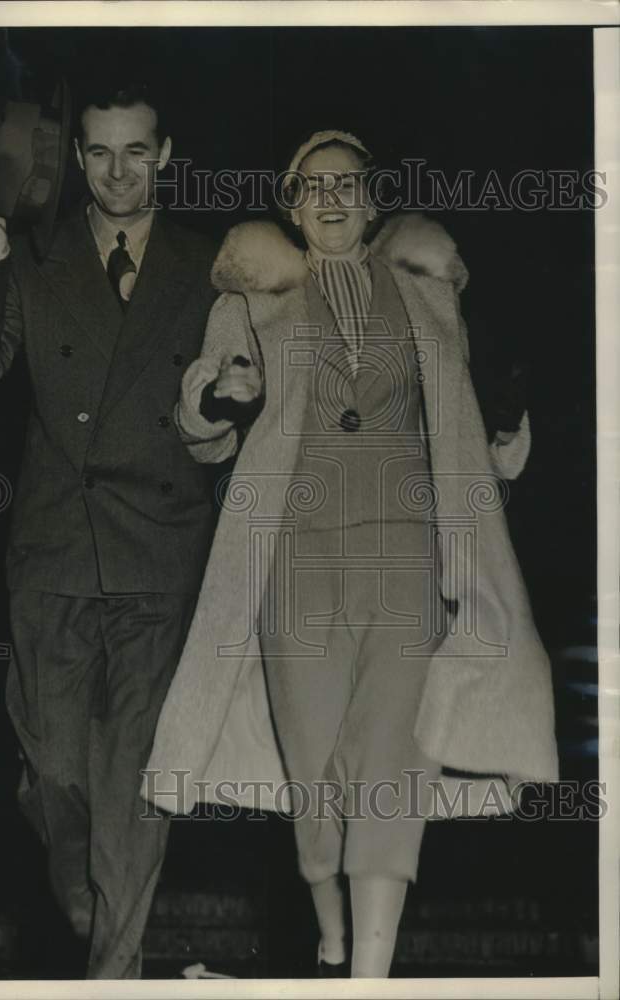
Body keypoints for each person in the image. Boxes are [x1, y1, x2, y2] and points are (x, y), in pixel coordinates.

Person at [143, 129, 558, 978]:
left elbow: (468, 430)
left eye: (348, 184)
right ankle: (324, 905)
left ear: (372, 202)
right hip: (294, 556)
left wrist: (507, 431)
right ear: (291, 207)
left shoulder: (424, 291)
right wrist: (220, 401)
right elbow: (203, 437)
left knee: (392, 755)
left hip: (408, 552)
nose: (331, 197)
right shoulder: (254, 297)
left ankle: (369, 974)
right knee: (315, 758)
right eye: (312, 186)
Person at [0, 81, 219, 979]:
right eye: (98, 152)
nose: (116, 172)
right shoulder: (33, 255)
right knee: (57, 774)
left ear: (165, 156)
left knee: (134, 786)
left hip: (158, 557)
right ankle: (93, 910)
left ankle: (116, 977)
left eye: (136, 151)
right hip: (55, 558)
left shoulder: (209, 266)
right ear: (79, 159)